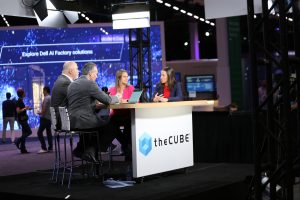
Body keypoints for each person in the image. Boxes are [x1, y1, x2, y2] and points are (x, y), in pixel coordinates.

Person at [67, 62, 119, 161]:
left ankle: (81, 149)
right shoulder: (90, 83)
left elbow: (81, 101)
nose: (97, 76)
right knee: (112, 125)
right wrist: (117, 97)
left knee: (99, 125)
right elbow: (107, 100)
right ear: (90, 74)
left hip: (72, 121)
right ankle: (91, 150)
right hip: (84, 120)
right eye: (96, 73)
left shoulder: (72, 84)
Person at [108, 69, 135, 156]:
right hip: (116, 115)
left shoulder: (131, 88)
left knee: (129, 124)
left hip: (128, 115)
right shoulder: (112, 89)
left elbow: (136, 101)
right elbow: (109, 100)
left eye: (127, 76)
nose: (126, 78)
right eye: (124, 76)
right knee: (109, 125)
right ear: (119, 78)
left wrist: (125, 100)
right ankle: (126, 146)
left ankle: (127, 148)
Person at [51, 61, 79, 129]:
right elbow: (78, 97)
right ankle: (85, 140)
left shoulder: (61, 80)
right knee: (92, 120)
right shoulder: (65, 82)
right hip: (63, 120)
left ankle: (85, 139)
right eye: (77, 69)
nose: (78, 71)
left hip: (61, 117)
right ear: (70, 71)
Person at [14, 88, 32, 154]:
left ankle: (23, 149)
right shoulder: (19, 101)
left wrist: (26, 108)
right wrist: (25, 108)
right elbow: (18, 111)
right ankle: (18, 141)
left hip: (22, 119)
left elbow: (21, 110)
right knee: (29, 132)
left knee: (24, 133)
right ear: (22, 94)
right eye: (24, 92)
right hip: (22, 120)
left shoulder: (20, 100)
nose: (25, 93)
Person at [37, 86, 53, 153]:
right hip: (49, 118)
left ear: (46, 90)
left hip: (45, 118)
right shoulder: (51, 97)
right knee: (49, 133)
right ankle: (50, 147)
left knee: (39, 132)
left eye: (43, 91)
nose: (43, 92)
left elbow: (44, 109)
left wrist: (40, 113)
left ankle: (44, 148)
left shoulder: (46, 98)